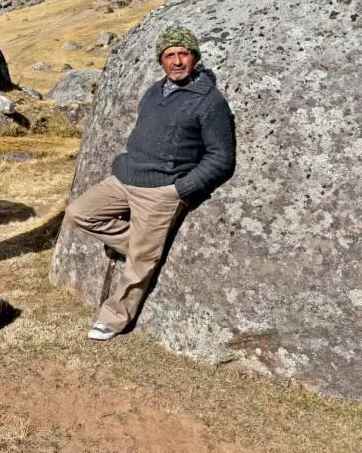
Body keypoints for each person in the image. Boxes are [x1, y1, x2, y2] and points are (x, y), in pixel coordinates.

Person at [64, 25, 235, 340]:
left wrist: (180, 189)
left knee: (140, 263)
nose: (177, 61)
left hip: (163, 190)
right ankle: (143, 249)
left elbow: (221, 158)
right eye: (170, 55)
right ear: (162, 61)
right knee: (78, 213)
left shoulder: (210, 102)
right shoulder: (155, 91)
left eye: (183, 54)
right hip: (126, 177)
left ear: (194, 57)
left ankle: (114, 318)